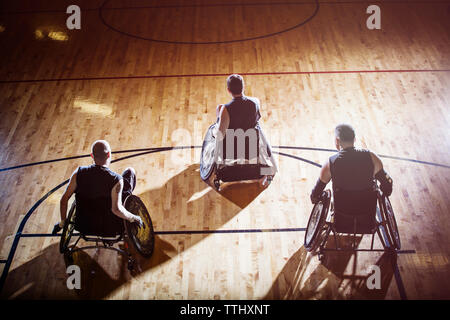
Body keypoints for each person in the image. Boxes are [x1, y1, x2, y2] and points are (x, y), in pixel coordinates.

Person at [52, 140, 142, 234]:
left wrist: (62, 223)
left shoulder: (78, 173)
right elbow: (116, 210)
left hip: (82, 226)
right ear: (108, 155)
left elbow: (64, 200)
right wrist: (134, 218)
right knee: (129, 172)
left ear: (92, 156)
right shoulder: (116, 179)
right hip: (110, 228)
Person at [215, 74, 275, 186]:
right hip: (252, 148)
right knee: (258, 130)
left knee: (219, 113)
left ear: (228, 90)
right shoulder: (255, 102)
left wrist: (218, 119)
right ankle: (266, 176)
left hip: (232, 150)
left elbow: (220, 135)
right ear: (243, 87)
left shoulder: (226, 109)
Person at [310, 124, 393, 204]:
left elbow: (314, 196)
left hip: (341, 216)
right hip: (368, 215)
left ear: (337, 141)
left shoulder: (330, 163)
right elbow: (388, 185)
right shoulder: (372, 158)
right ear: (354, 139)